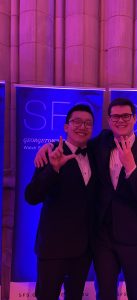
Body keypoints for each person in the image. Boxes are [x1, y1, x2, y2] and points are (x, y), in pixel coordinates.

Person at [34, 98, 137, 300]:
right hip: (102, 238)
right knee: (105, 293)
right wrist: (48, 146)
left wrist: (130, 167)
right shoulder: (100, 144)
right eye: (115, 117)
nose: (120, 120)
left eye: (126, 116)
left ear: (135, 119)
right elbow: (74, 142)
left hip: (136, 238)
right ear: (109, 121)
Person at [25, 104, 97, 300]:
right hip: (53, 247)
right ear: (66, 127)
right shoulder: (52, 153)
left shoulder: (96, 153)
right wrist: (53, 169)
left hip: (83, 249)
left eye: (88, 123)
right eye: (77, 122)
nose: (82, 127)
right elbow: (31, 196)